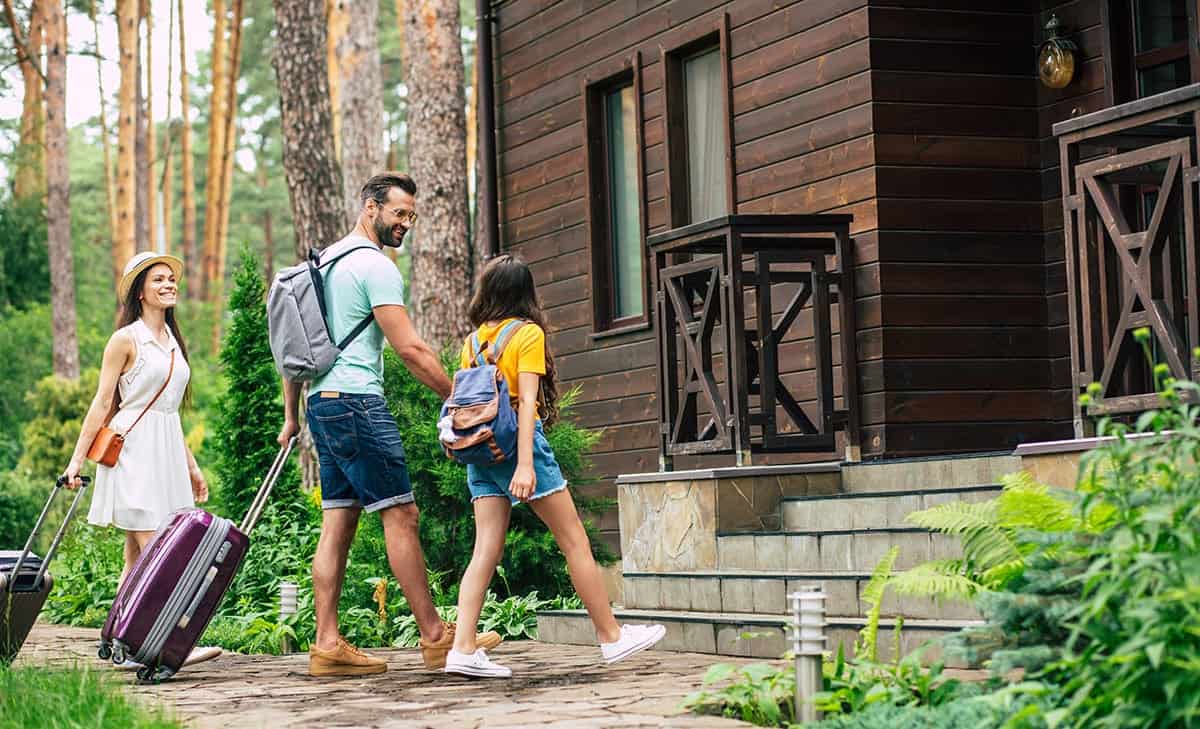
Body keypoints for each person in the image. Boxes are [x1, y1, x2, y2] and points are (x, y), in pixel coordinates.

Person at [277, 172, 500, 677]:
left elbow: (296, 349)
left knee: (338, 521)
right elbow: (411, 349)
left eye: (411, 216)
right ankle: (436, 637)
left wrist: (294, 414)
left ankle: (327, 642)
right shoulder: (374, 267)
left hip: (323, 404)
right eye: (399, 213)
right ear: (370, 208)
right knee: (401, 516)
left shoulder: (323, 261)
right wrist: (458, 397)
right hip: (356, 403)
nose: (406, 224)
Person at [443, 254, 665, 678]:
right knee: (574, 540)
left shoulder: (472, 342)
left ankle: (463, 647)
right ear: (526, 292)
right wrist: (525, 464)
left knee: (485, 547)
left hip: (481, 449)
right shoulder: (527, 334)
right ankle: (612, 637)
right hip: (516, 447)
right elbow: (526, 402)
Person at [63, 251, 220, 667]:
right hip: (132, 453)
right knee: (162, 553)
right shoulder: (126, 339)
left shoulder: (172, 342)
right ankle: (168, 643)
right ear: (140, 292)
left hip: (165, 450)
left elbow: (168, 410)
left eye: (172, 279)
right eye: (159, 280)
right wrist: (76, 462)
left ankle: (121, 641)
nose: (169, 285)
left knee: (138, 559)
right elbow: (102, 403)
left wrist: (191, 466)